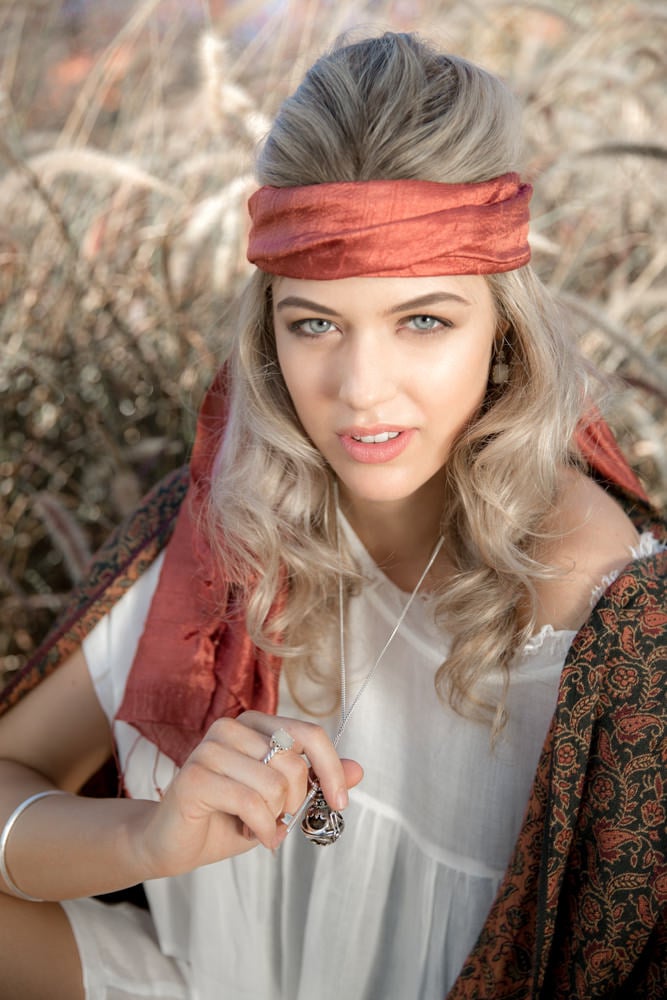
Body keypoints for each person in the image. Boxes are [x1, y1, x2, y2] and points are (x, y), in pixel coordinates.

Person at [0, 31, 664, 1000]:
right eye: (314, 321)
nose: (360, 389)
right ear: (267, 332)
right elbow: (15, 765)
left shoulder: (610, 624)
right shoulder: (221, 523)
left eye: (422, 321)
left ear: (504, 328)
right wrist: (146, 837)